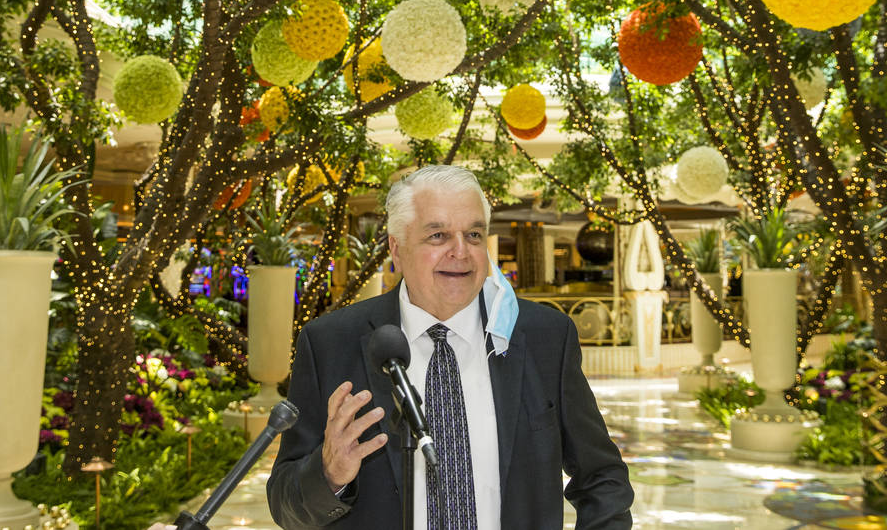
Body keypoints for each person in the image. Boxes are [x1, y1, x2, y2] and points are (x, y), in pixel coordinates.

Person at [267, 165, 633, 530]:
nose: (461, 251)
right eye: (438, 235)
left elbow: (603, 478)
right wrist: (329, 475)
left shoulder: (544, 338)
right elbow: (287, 508)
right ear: (397, 248)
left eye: (474, 234)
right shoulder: (330, 343)